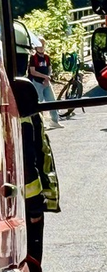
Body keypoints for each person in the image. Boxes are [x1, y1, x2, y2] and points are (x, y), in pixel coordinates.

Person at [21, 111, 60, 263]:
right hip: (23, 204)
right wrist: (35, 206)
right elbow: (26, 162)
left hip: (20, 201)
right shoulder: (22, 110)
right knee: (30, 263)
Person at [27, 37, 63, 129]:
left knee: (52, 100)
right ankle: (41, 123)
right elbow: (32, 71)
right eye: (39, 45)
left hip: (46, 82)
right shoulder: (33, 58)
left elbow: (49, 68)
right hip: (37, 82)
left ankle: (55, 121)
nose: (41, 47)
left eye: (43, 45)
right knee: (39, 102)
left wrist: (48, 77)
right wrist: (44, 77)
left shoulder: (47, 57)